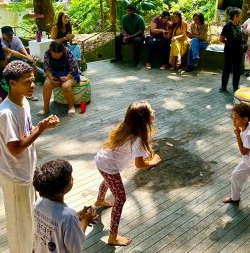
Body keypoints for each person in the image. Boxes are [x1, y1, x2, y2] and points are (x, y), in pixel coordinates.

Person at [0, 60, 59, 253]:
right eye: (26, 82)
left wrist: (40, 125)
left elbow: (26, 131)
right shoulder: (6, 113)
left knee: (30, 219)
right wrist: (41, 129)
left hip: (26, 171)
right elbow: (15, 148)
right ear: (12, 83)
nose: (32, 85)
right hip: (14, 176)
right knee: (19, 225)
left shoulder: (23, 102)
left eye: (32, 80)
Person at [93, 101, 162, 246]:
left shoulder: (126, 127)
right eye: (151, 111)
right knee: (121, 198)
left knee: (107, 180)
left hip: (101, 160)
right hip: (109, 166)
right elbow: (139, 164)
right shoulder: (138, 139)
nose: (153, 112)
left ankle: (99, 200)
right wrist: (153, 162)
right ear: (144, 119)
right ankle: (112, 237)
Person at [33, 159, 98, 253]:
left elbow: (53, 220)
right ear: (62, 190)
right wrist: (85, 221)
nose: (72, 178)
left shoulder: (37, 203)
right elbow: (75, 247)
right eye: (70, 177)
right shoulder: (69, 217)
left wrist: (77, 215)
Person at [38, 41, 80, 117]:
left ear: (63, 50)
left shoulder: (67, 52)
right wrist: (51, 78)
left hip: (70, 74)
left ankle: (71, 106)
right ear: (51, 50)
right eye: (55, 55)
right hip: (55, 74)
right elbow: (46, 69)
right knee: (47, 84)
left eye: (59, 54)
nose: (57, 56)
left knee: (65, 86)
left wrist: (66, 78)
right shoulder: (47, 53)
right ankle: (46, 108)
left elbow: (74, 68)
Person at [0, 26, 40, 102]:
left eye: (11, 34)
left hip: (18, 59)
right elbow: (11, 52)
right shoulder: (0, 41)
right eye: (8, 35)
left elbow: (23, 51)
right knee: (19, 69)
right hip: (6, 61)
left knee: (32, 65)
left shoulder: (16, 39)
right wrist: (27, 58)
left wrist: (30, 59)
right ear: (3, 34)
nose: (10, 37)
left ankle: (29, 86)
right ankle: (24, 90)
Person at [219, 7, 244, 93]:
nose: (241, 16)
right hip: (229, 51)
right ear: (235, 16)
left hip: (239, 51)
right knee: (227, 68)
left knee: (237, 70)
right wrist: (229, 43)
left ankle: (235, 87)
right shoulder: (227, 26)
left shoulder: (240, 25)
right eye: (239, 15)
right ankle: (223, 86)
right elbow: (221, 39)